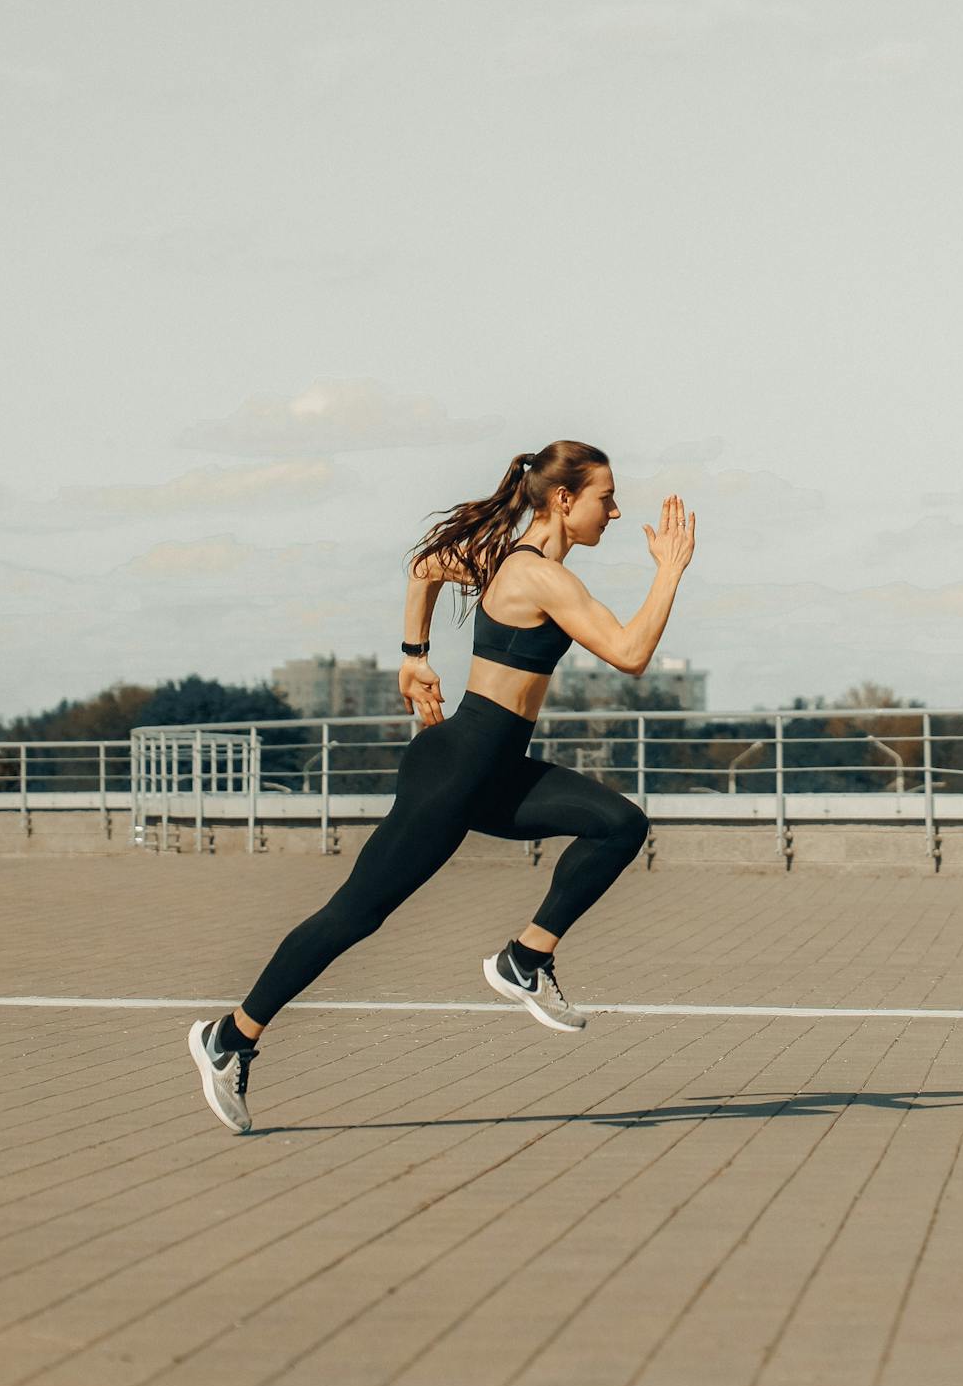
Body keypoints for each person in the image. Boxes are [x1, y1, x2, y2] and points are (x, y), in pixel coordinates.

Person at [187, 441, 695, 1132]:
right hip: (456, 771)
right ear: (563, 499)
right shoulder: (538, 576)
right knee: (354, 916)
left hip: (493, 769)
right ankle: (231, 1037)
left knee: (619, 824)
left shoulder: (509, 561)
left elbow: (426, 567)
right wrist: (669, 572)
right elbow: (632, 653)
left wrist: (414, 656)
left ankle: (525, 957)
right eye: (606, 496)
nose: (616, 509)